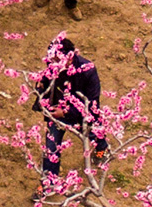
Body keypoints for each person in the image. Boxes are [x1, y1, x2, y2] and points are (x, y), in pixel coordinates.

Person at [33, 34, 105, 184]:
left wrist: (67, 112)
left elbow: (92, 104)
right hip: (57, 112)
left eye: (57, 61)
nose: (53, 64)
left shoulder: (88, 71)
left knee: (94, 134)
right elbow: (46, 80)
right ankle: (49, 182)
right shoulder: (53, 66)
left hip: (81, 114)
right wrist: (40, 88)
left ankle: (101, 148)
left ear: (70, 57)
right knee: (51, 147)